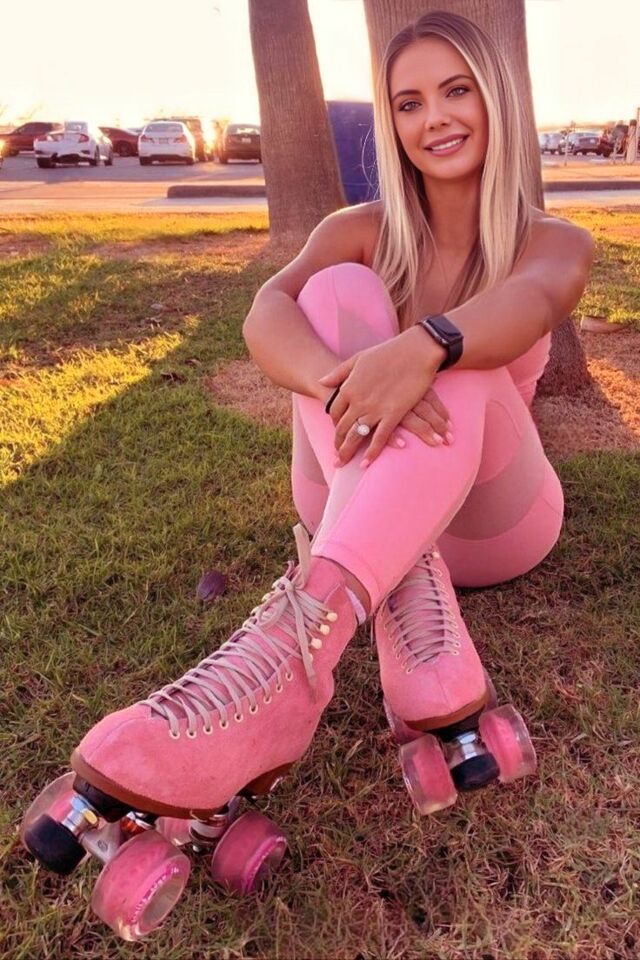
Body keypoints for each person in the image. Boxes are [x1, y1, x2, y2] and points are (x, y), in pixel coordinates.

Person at [26, 11, 594, 875]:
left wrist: (424, 347)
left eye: (457, 91)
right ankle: (415, 642)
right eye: (408, 102)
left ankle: (284, 666)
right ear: (391, 121)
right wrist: (345, 386)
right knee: (326, 297)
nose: (434, 118)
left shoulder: (553, 242)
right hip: (359, 498)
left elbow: (531, 303)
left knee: (462, 371)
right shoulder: (357, 229)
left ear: (498, 99)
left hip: (491, 520)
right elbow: (267, 313)